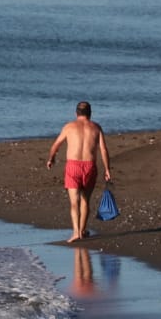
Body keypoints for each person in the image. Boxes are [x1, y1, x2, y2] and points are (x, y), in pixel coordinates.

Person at [45, 101, 112, 244]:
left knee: (74, 202)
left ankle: (76, 232)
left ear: (76, 113)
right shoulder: (96, 128)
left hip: (73, 166)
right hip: (89, 166)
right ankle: (82, 230)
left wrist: (51, 158)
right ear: (90, 113)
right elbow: (103, 150)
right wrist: (107, 169)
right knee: (85, 200)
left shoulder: (69, 127)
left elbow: (56, 144)